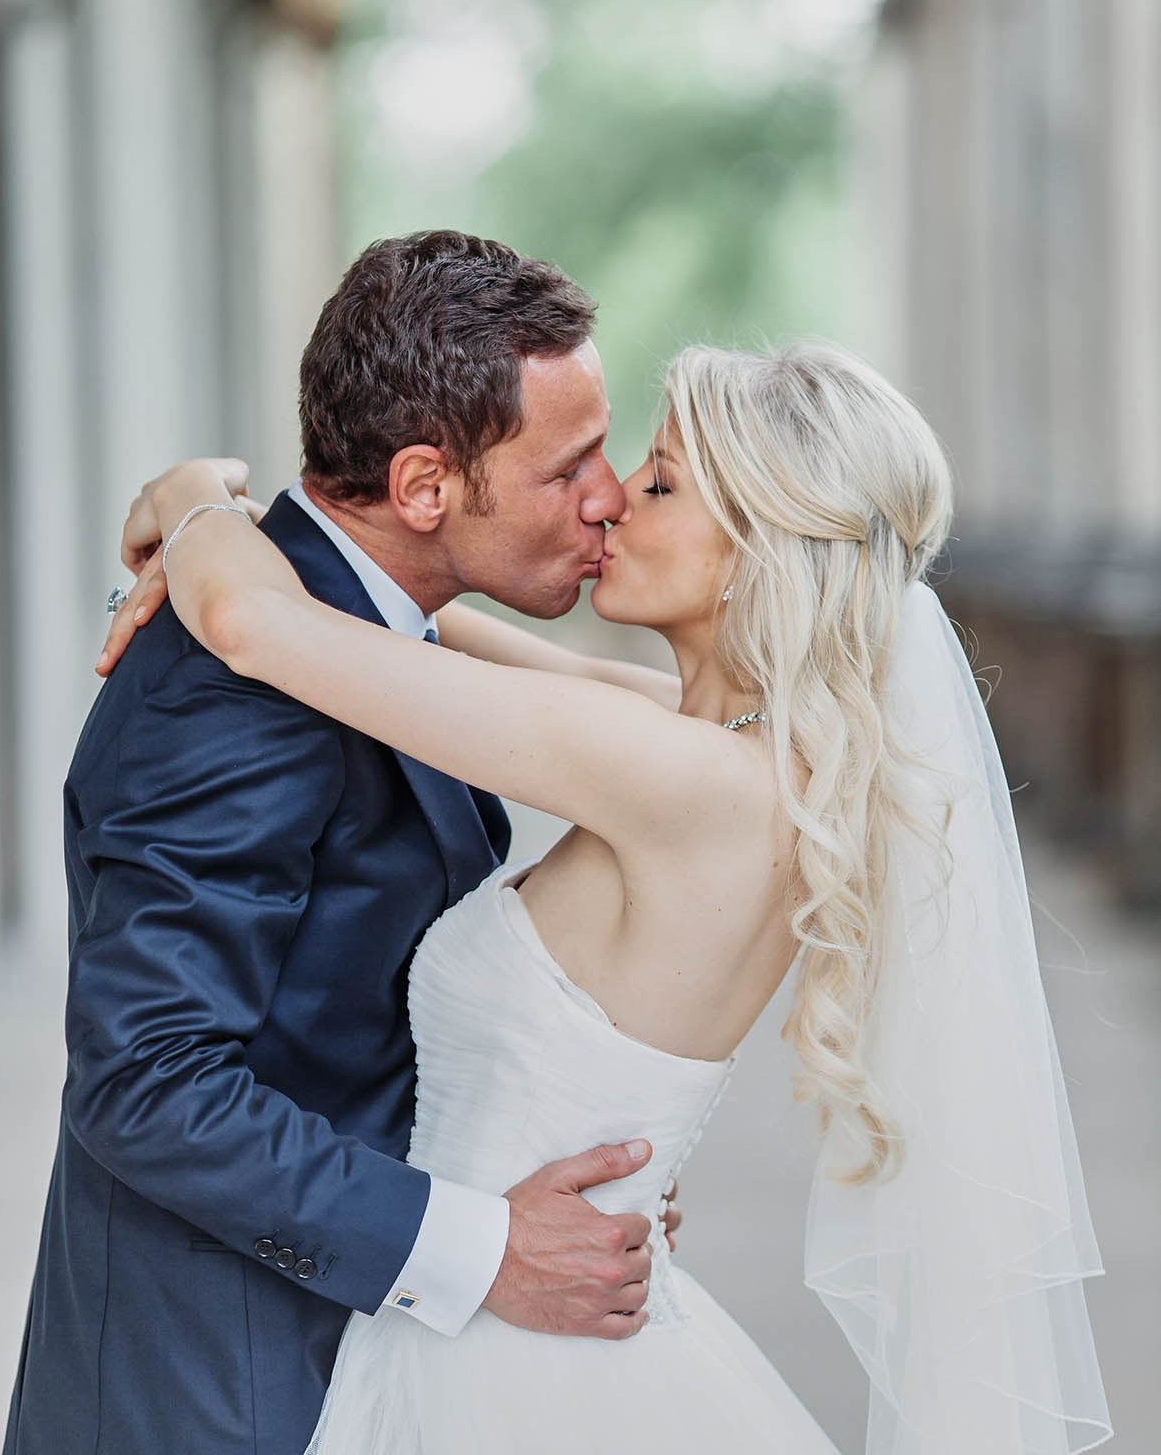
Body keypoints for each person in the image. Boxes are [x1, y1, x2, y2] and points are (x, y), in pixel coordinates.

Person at [102, 335, 1112, 1454]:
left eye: (661, 482)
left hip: (518, 1361)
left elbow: (260, 629)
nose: (610, 502)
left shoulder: (676, 774)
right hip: (522, 1308)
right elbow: (404, 620)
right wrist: (274, 528)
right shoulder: (722, 746)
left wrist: (191, 496)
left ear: (758, 549)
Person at [4, 232, 687, 1455]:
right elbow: (146, 1082)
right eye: (571, 461)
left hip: (357, 1364)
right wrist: (489, 1250)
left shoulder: (370, 639)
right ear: (426, 487)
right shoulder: (234, 690)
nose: (610, 495)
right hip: (219, 1391)